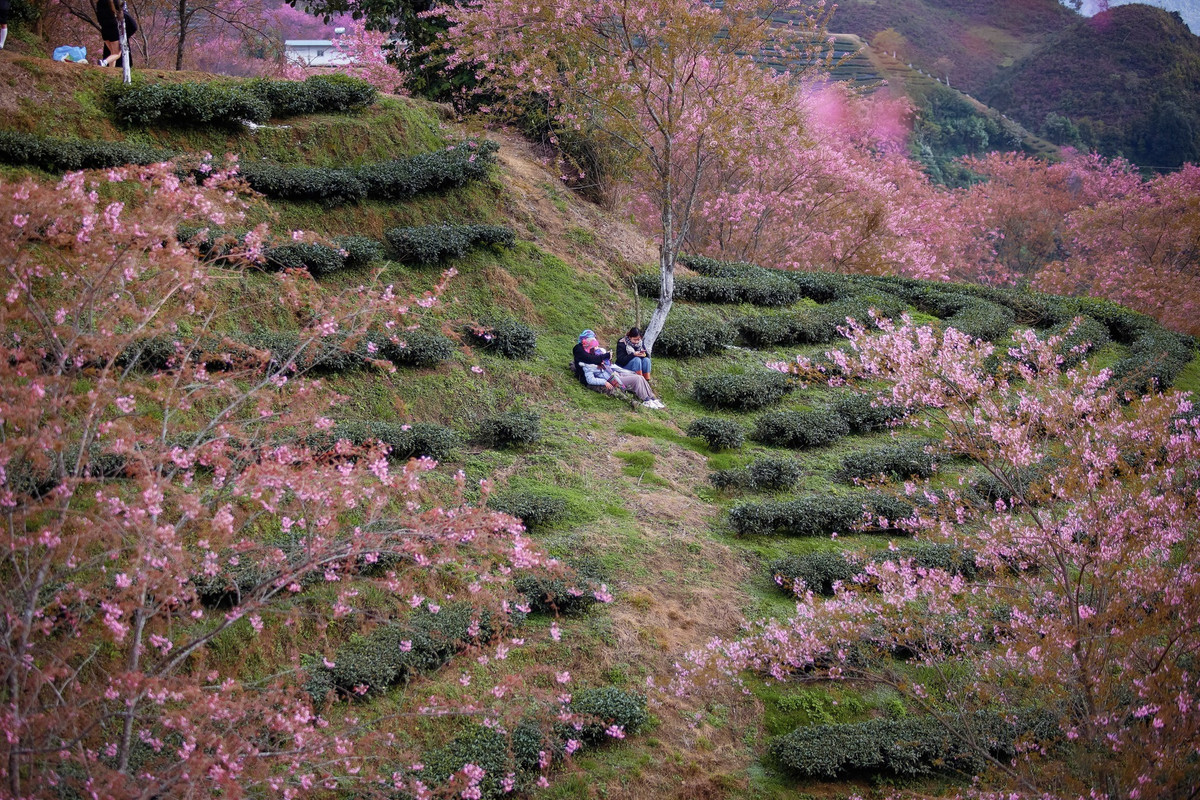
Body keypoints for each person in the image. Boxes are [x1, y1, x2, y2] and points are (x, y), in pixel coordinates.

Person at [574, 332, 664, 408]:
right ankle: (646, 399)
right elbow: (590, 379)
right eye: (595, 347)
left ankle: (652, 398)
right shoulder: (588, 364)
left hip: (614, 373)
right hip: (612, 379)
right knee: (637, 379)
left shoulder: (598, 358)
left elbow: (610, 365)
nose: (598, 349)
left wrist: (607, 361)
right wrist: (604, 382)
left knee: (639, 377)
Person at [94, 0, 137, 68]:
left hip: (104, 30)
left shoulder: (99, 3)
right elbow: (134, 26)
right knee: (117, 53)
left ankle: (111, 70)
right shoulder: (113, 2)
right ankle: (104, 62)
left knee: (112, 53)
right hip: (113, 30)